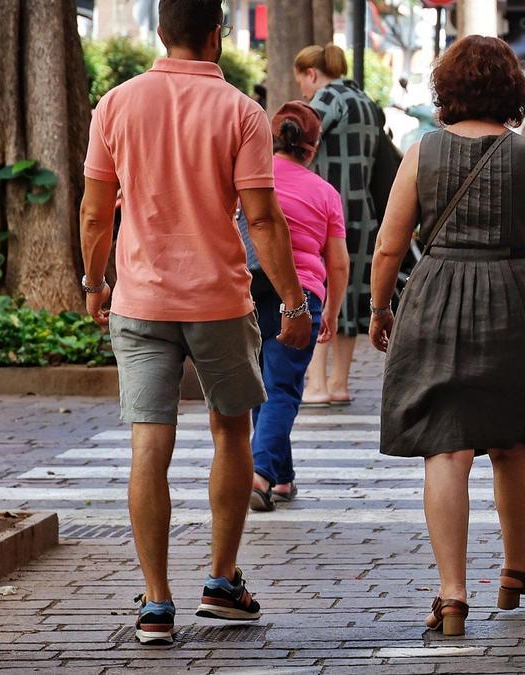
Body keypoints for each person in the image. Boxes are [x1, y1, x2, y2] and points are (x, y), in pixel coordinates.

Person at [79, 0, 312, 646]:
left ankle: (156, 601)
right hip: (220, 301)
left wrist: (95, 282)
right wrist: (293, 299)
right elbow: (263, 219)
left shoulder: (116, 105)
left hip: (141, 301)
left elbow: (97, 211)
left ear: (159, 32)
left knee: (149, 444)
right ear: (217, 35)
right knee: (231, 431)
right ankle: (222, 578)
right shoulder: (242, 112)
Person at [368, 35, 525, 637]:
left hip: (434, 297)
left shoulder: (422, 151)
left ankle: (452, 595)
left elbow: (389, 243)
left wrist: (379, 307)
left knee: (446, 448)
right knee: (512, 442)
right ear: (512, 90)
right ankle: (515, 568)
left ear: (446, 90)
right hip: (507, 294)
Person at [249, 101, 350, 512]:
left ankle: (282, 478)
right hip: (302, 293)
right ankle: (259, 475)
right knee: (284, 387)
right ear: (313, 148)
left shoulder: (250, 179)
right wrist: (332, 311)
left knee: (261, 384)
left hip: (249, 286)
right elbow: (338, 261)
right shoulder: (324, 193)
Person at [293, 44, 382, 407]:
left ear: (312, 74)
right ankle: (339, 383)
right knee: (351, 295)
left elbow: (295, 140)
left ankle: (316, 384)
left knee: (321, 291)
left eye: (302, 82)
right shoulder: (365, 100)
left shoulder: (326, 99)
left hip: (326, 211)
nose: (303, 91)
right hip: (363, 209)